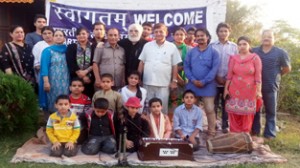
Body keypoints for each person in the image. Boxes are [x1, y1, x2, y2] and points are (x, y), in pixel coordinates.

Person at [252, 30, 291, 139]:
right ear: (261, 38)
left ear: (274, 38)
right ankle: (255, 131)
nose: (266, 38)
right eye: (264, 36)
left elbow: (287, 68)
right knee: (255, 110)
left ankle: (269, 134)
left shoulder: (280, 52)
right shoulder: (254, 51)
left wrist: (277, 75)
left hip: (271, 86)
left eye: (269, 37)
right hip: (255, 87)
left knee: (271, 111)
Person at [138, 23, 182, 114]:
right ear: (153, 33)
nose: (158, 34)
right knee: (148, 109)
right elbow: (142, 62)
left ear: (166, 33)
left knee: (162, 109)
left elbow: (175, 65)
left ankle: (162, 128)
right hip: (148, 83)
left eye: (161, 31)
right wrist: (138, 78)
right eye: (156, 32)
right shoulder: (147, 46)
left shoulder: (172, 47)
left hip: (164, 84)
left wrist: (174, 81)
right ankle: (149, 127)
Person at [184, 28, 220, 138]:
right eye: (197, 36)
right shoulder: (191, 52)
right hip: (193, 85)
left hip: (208, 86)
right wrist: (193, 80)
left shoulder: (214, 52)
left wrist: (204, 81)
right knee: (192, 109)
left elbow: (214, 69)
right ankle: (192, 131)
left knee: (209, 109)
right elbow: (186, 67)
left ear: (208, 37)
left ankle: (211, 131)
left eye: (202, 35)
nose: (200, 38)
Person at [223, 36, 262, 133]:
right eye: (239, 44)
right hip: (234, 90)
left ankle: (244, 137)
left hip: (249, 91)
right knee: (234, 113)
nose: (242, 46)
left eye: (244, 44)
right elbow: (229, 75)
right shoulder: (233, 58)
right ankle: (234, 137)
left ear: (249, 45)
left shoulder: (255, 58)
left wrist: (259, 91)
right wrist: (226, 89)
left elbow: (258, 76)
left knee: (247, 114)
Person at [211, 22, 238, 133]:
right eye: (221, 31)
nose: (223, 33)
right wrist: (216, 76)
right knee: (214, 104)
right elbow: (210, 63)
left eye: (225, 31)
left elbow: (236, 63)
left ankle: (225, 125)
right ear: (217, 33)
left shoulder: (234, 47)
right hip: (214, 80)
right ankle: (214, 124)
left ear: (229, 32)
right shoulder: (212, 46)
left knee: (226, 104)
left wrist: (228, 79)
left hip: (229, 82)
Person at [39, 30, 70, 116]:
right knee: (52, 101)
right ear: (53, 37)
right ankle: (51, 123)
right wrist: (46, 82)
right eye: (56, 35)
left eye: (61, 35)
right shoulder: (48, 51)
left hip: (65, 82)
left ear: (64, 38)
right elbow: (44, 67)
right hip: (51, 81)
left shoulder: (68, 50)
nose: (58, 37)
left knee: (64, 100)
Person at [66, 27, 94, 98]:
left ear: (87, 34)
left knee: (88, 97)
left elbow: (95, 62)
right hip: (75, 77)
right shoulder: (71, 47)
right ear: (76, 36)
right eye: (79, 34)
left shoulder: (93, 47)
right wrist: (82, 75)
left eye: (83, 33)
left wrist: (86, 73)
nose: (81, 35)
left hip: (90, 78)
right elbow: (70, 62)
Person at [170, 27, 191, 107]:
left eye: (181, 34)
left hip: (186, 79)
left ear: (185, 36)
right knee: (173, 103)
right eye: (177, 34)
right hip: (171, 78)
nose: (179, 36)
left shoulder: (190, 49)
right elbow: (167, 65)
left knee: (185, 102)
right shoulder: (169, 47)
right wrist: (177, 78)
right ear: (173, 36)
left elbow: (191, 65)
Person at [69, 77, 92, 144]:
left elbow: (87, 113)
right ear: (70, 88)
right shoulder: (66, 98)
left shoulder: (86, 99)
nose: (76, 87)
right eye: (74, 86)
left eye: (79, 86)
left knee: (79, 141)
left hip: (80, 123)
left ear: (83, 88)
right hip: (68, 122)